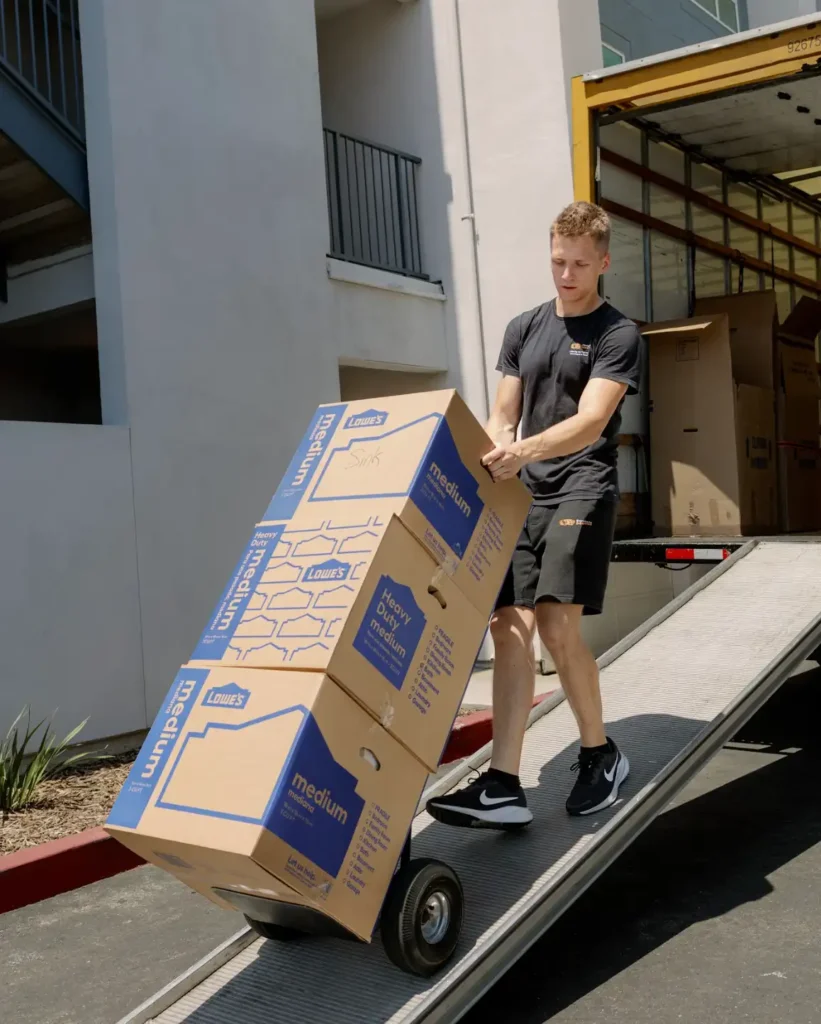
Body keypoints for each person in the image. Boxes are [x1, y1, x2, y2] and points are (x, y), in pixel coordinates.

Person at [427, 200, 642, 829]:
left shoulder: (616, 333)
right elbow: (503, 412)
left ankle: (600, 754)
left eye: (579, 263)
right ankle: (503, 784)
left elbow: (591, 421)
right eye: (558, 261)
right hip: (524, 492)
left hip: (582, 484)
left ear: (601, 261)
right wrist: (497, 451)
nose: (566, 274)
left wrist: (520, 451)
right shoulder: (523, 327)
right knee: (507, 628)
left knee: (554, 626)